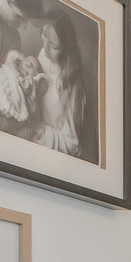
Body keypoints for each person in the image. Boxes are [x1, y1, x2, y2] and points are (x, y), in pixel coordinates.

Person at [30, 12, 90, 159]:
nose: (45, 46)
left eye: (54, 46)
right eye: (44, 35)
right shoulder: (43, 55)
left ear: (66, 47)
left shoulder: (70, 86)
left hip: (49, 155)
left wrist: (39, 131)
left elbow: (73, 143)